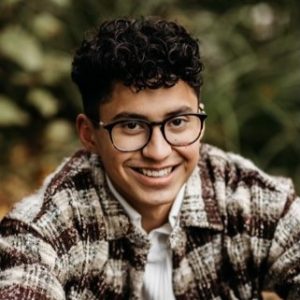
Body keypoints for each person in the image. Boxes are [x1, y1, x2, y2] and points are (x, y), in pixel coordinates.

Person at [0, 16, 299, 300]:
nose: (158, 152)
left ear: (201, 122)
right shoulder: (45, 230)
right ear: (89, 134)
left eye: (178, 122)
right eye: (131, 126)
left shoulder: (248, 199)